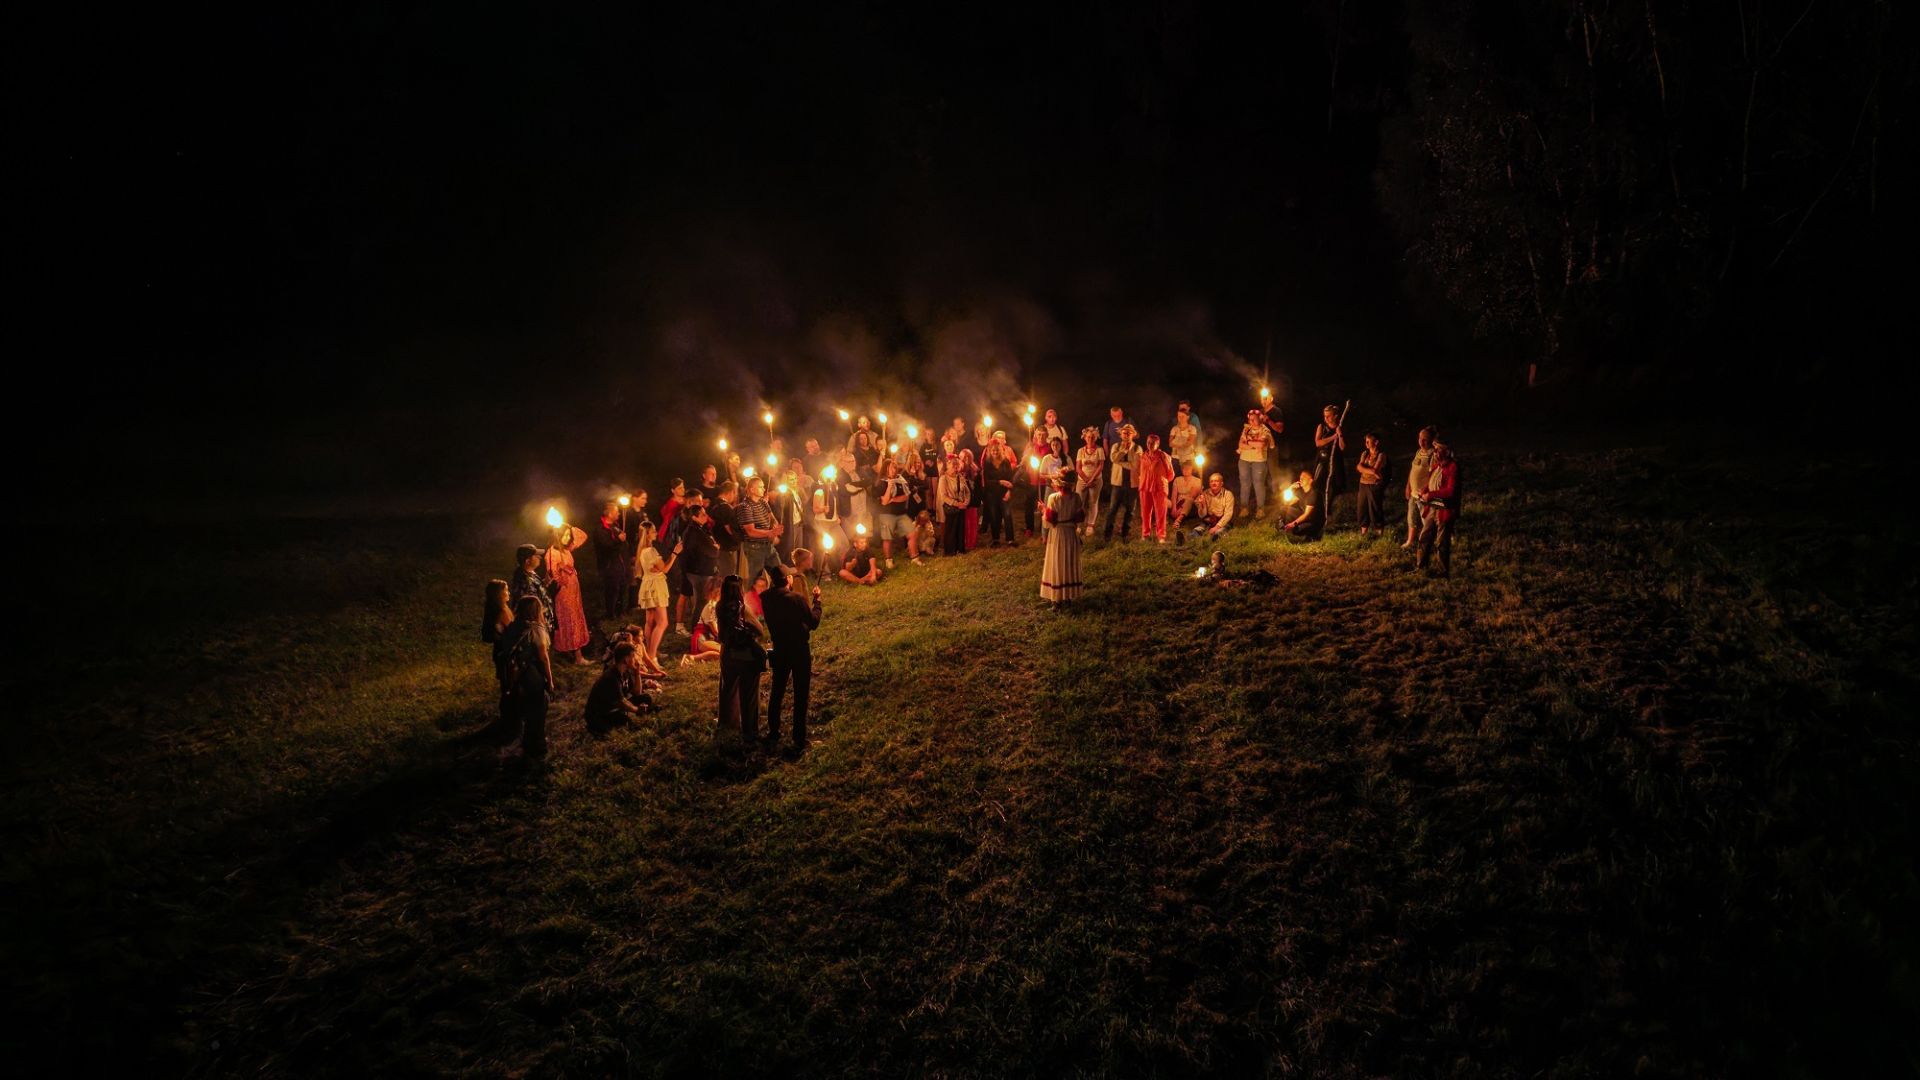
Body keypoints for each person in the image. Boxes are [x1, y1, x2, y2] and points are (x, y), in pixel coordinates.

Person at [762, 562, 822, 752]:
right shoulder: (796, 599)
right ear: (788, 579)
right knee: (800, 693)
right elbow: (813, 623)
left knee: (777, 691)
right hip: (798, 650)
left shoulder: (766, 598)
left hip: (779, 648)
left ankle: (774, 732)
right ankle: (799, 738)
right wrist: (817, 603)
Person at [495, 594, 554, 761]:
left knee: (525, 709)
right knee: (539, 708)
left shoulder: (514, 626)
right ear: (536, 611)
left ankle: (526, 742)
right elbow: (543, 657)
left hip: (515, 675)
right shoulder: (536, 629)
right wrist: (550, 681)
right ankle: (537, 747)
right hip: (530, 674)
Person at [716, 575, 771, 746]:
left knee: (728, 689)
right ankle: (750, 732)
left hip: (727, 653)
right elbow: (758, 629)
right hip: (744, 654)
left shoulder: (719, 606)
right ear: (739, 590)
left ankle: (727, 723)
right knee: (749, 694)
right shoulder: (741, 608)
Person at [632, 524, 677, 676]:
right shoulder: (651, 551)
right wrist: (675, 554)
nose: (656, 533)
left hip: (648, 584)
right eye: (653, 531)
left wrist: (659, 567)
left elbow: (658, 568)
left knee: (650, 621)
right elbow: (664, 568)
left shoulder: (642, 551)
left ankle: (651, 652)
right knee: (663, 622)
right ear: (647, 534)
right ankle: (651, 655)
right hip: (655, 586)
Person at [544, 521, 590, 664]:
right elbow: (554, 576)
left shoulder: (566, 549)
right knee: (569, 621)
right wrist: (563, 572)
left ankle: (574, 653)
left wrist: (566, 524)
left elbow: (582, 536)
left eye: (568, 535)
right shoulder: (552, 553)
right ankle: (577, 656)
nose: (567, 537)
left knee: (575, 618)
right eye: (564, 535)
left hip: (573, 592)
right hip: (564, 593)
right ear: (557, 534)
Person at [1040, 468, 1084, 608]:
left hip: (1058, 534)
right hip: (1070, 534)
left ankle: (1057, 599)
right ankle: (1067, 596)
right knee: (1068, 563)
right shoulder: (1076, 497)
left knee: (1057, 563)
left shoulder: (1054, 498)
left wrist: (1043, 510)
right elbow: (1080, 517)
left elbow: (1049, 522)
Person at [1416, 441, 1460, 575]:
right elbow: (1431, 483)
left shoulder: (1452, 467)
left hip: (1445, 510)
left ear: (1446, 451)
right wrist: (1423, 491)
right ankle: (1421, 567)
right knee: (1425, 537)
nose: (1435, 453)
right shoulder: (1436, 466)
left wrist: (1431, 494)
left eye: (1438, 450)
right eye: (1435, 450)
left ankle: (1442, 571)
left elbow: (1450, 491)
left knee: (1442, 542)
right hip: (1432, 507)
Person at [586, 641, 650, 734]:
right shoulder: (611, 677)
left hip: (615, 707)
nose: (635, 659)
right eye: (633, 656)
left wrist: (637, 673)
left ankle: (643, 712)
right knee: (627, 724)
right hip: (601, 714)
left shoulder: (625, 671)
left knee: (645, 698)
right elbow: (622, 702)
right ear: (626, 659)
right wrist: (637, 710)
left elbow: (637, 693)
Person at [590, 498, 630, 619]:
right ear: (609, 513)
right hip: (609, 564)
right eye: (616, 511)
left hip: (620, 563)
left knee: (622, 586)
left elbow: (622, 544)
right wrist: (619, 540)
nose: (618, 513)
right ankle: (611, 613)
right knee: (612, 589)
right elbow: (605, 546)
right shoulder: (600, 529)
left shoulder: (616, 526)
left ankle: (620, 611)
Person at [739, 476, 783, 578]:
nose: (764, 489)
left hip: (768, 545)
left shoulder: (763, 502)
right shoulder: (745, 506)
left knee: (780, 574)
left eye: (763, 487)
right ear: (752, 489)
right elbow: (751, 531)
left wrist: (776, 527)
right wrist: (770, 533)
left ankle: (778, 593)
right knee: (755, 579)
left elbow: (772, 518)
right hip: (754, 547)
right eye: (760, 487)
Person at [1312, 404, 1348, 527]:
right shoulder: (1321, 427)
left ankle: (1330, 508)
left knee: (1337, 485)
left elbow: (1343, 447)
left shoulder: (1340, 427)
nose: (1326, 419)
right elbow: (1318, 443)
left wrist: (1340, 434)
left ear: (1335, 416)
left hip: (1336, 460)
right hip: (1322, 459)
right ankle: (1318, 508)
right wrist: (1333, 437)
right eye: (1324, 416)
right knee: (1318, 484)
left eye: (1328, 416)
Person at [1236, 408, 1276, 519]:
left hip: (1259, 461)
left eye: (1254, 419)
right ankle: (1244, 508)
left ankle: (1260, 509)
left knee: (1258, 484)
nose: (1251, 422)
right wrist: (1253, 444)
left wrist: (1248, 442)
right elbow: (1240, 445)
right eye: (1250, 419)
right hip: (1244, 460)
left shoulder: (1265, 431)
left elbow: (1261, 445)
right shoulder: (1246, 429)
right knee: (1244, 484)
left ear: (1260, 419)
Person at [1102, 423, 1139, 541]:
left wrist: (1120, 462)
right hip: (1118, 483)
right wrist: (1124, 451)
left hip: (1132, 484)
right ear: (1121, 434)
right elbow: (1113, 458)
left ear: (1133, 435)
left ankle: (1125, 534)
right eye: (1124, 432)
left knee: (1130, 511)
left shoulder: (1138, 448)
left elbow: (1135, 465)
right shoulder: (1116, 446)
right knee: (1113, 509)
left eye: (1129, 433)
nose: (1127, 435)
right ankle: (1107, 535)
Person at [1402, 425, 1438, 549]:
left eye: (1425, 440)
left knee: (1426, 521)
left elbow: (1434, 475)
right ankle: (1410, 541)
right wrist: (1408, 486)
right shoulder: (1419, 452)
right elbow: (1413, 470)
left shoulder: (1432, 454)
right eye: (1420, 438)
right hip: (1413, 493)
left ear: (1431, 440)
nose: (1421, 441)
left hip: (1423, 495)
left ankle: (1429, 543)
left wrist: (1426, 489)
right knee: (1411, 518)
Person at [875, 458, 914, 568]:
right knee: (887, 538)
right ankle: (888, 560)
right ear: (886, 468)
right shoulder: (881, 483)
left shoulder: (900, 480)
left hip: (901, 513)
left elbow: (905, 496)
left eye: (895, 467)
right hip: (886, 514)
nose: (894, 469)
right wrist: (889, 488)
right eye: (892, 467)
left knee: (912, 533)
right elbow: (884, 501)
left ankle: (914, 557)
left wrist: (894, 499)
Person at [510, 543, 556, 635]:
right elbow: (532, 606)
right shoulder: (525, 579)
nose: (539, 557)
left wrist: (544, 584)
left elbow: (535, 591)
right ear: (527, 561)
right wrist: (542, 625)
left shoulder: (529, 573)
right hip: (537, 627)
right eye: (536, 556)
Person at [980, 438, 1019, 546]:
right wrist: (1000, 481)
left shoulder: (1005, 461)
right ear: (990, 451)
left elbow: (1010, 479)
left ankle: (1010, 539)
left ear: (1000, 450)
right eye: (993, 451)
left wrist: (1009, 491)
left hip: (1004, 493)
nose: (995, 453)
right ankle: (996, 539)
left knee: (1007, 514)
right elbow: (987, 481)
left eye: (997, 450)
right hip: (992, 494)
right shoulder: (987, 463)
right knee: (994, 516)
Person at [1136, 432, 1173, 543]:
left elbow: (1170, 473)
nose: (1150, 444)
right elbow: (1139, 471)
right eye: (1148, 442)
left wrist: (1162, 481)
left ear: (1158, 444)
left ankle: (1161, 535)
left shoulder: (1163, 456)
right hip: (1145, 487)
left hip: (1159, 487)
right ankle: (1145, 534)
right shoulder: (1143, 456)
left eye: (1153, 443)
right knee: (1145, 512)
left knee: (1160, 512)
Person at [709, 480, 745, 581]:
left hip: (718, 547)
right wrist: (740, 538)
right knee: (727, 578)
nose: (735, 496)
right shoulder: (725, 508)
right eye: (735, 493)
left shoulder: (713, 504)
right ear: (731, 492)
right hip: (727, 549)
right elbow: (730, 529)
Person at [683, 577, 725, 663]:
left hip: (711, 637)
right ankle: (692, 658)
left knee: (727, 653)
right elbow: (715, 629)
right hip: (703, 638)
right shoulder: (711, 607)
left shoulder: (720, 606)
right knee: (725, 652)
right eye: (718, 592)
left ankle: (701, 658)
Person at [1074, 426, 1105, 538]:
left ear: (1095, 438)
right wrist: (1087, 480)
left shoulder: (1099, 450)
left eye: (1092, 437)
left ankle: (1090, 526)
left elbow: (1101, 466)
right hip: (1082, 480)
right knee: (1079, 503)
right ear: (1084, 438)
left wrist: (1092, 480)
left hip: (1096, 480)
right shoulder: (1080, 451)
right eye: (1088, 437)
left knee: (1093, 502)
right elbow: (1078, 467)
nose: (1090, 439)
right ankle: (1078, 525)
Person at [1355, 432, 1388, 538]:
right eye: (1366, 441)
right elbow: (1359, 468)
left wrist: (1365, 469)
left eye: (1369, 441)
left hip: (1374, 485)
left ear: (1376, 442)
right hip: (1363, 484)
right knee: (1362, 508)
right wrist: (1370, 471)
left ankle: (1379, 533)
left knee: (1374, 508)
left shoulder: (1381, 455)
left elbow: (1375, 470)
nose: (1366, 443)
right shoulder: (1365, 454)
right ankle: (1363, 533)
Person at [1188, 472, 1235, 542]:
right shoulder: (1205, 494)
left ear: (1221, 483)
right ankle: (1188, 541)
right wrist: (1202, 505)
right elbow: (1202, 515)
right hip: (1209, 520)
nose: (1213, 483)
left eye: (1216, 481)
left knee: (1218, 533)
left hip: (1222, 521)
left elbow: (1228, 514)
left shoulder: (1228, 495)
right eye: (1211, 481)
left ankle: (1212, 542)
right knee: (1197, 530)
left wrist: (1216, 527)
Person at [939, 456, 971, 555]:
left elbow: (967, 491)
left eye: (957, 464)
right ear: (948, 465)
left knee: (961, 528)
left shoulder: (960, 477)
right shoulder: (943, 478)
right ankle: (950, 550)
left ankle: (960, 549)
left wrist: (966, 502)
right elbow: (943, 496)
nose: (955, 467)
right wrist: (957, 504)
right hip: (952, 507)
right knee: (951, 529)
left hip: (961, 506)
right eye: (953, 464)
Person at [1280, 470, 1324, 541]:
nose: (1301, 479)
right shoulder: (1300, 492)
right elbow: (1286, 503)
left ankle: (1309, 533)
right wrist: (1290, 488)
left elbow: (1307, 515)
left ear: (1310, 481)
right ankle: (1285, 527)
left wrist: (1293, 524)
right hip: (1304, 517)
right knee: (1284, 508)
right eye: (1300, 477)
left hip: (1312, 521)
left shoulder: (1314, 494)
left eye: (1304, 477)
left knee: (1298, 530)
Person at [1167, 401, 1202, 475]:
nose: (1180, 418)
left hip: (1188, 456)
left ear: (1188, 409)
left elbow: (1192, 440)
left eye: (1184, 408)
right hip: (1176, 456)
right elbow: (1170, 442)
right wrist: (1182, 443)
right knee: (1176, 476)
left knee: (1189, 474)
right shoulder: (1174, 427)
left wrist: (1198, 450)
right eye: (1179, 416)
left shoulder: (1193, 420)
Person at [1170, 461, 1203, 531]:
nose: (1186, 470)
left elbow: (1192, 496)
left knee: (1189, 499)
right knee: (1163, 500)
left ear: (1192, 470)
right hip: (1178, 504)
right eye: (1184, 468)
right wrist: (1174, 508)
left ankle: (1178, 520)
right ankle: (1161, 520)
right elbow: (1174, 495)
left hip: (1190, 506)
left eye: (1188, 468)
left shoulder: (1197, 480)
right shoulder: (1177, 479)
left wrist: (1181, 509)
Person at [481, 579, 512, 644]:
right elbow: (512, 630)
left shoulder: (503, 607)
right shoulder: (501, 612)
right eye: (506, 590)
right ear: (499, 593)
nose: (509, 593)